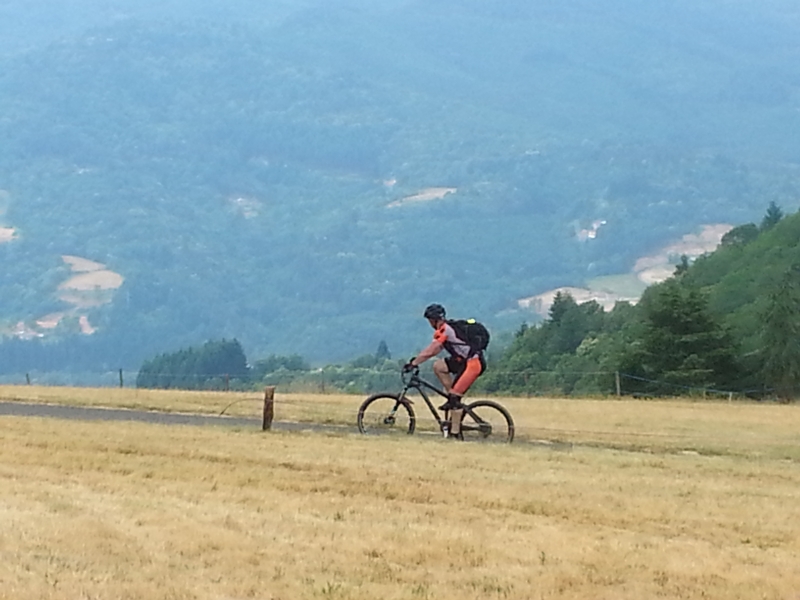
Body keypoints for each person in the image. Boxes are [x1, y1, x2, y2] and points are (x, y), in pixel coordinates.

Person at [403, 303, 486, 411]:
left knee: (454, 401)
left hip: (473, 365)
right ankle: (451, 395)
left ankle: (454, 404)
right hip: (462, 361)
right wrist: (417, 361)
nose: (430, 323)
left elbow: (432, 350)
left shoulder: (446, 330)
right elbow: (437, 349)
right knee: (438, 366)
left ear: (434, 320)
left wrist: (413, 363)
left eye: (430, 320)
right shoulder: (445, 329)